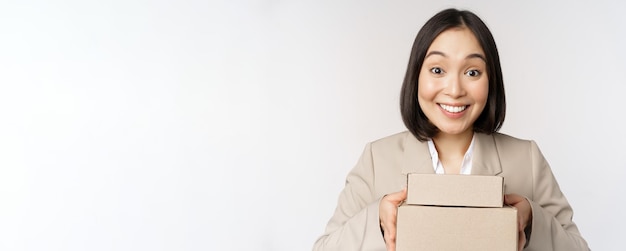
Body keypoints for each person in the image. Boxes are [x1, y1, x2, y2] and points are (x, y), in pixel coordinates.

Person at [312, 8, 589, 251]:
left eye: (472, 72)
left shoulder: (526, 158)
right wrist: (378, 222)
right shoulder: (377, 159)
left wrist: (532, 222)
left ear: (491, 80)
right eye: (437, 70)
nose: (455, 90)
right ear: (416, 75)